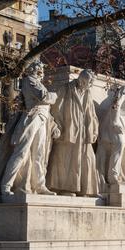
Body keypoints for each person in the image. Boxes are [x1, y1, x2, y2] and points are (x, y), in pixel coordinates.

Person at [0, 61, 59, 196]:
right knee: (21, 152)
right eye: (40, 70)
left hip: (42, 119)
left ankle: (40, 186)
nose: (42, 73)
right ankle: (6, 186)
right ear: (34, 70)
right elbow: (43, 96)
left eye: (42, 70)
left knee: (39, 154)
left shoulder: (39, 83)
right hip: (32, 118)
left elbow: (45, 102)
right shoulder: (29, 81)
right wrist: (54, 96)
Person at [46, 69, 99, 197]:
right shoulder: (65, 89)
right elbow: (55, 109)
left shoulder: (87, 93)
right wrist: (57, 126)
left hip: (83, 133)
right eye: (89, 82)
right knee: (65, 162)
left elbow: (91, 114)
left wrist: (93, 129)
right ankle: (64, 188)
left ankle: (86, 190)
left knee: (87, 160)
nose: (91, 85)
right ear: (82, 80)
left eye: (92, 83)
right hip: (67, 131)